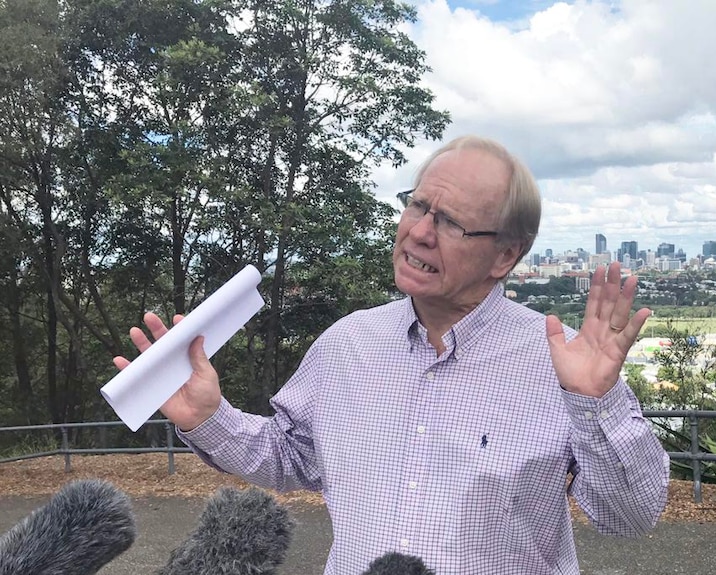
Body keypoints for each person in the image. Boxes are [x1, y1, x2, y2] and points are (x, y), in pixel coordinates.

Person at [115, 135, 670, 574]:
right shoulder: (348, 344)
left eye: (450, 222)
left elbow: (629, 518)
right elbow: (294, 457)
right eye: (419, 205)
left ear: (504, 255)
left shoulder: (562, 365)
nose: (420, 232)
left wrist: (596, 403)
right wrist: (210, 420)